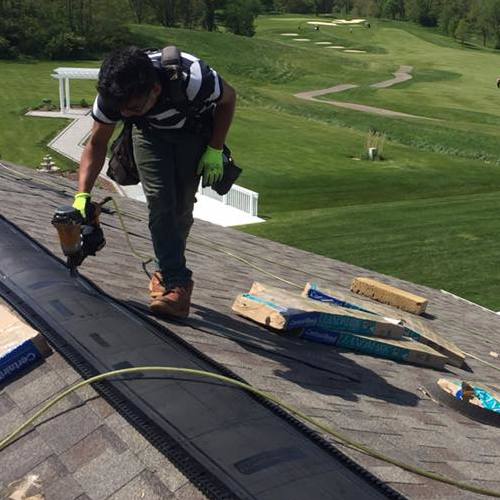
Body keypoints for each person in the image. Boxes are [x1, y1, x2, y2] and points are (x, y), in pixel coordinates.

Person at [73, 46, 237, 318]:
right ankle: (177, 283)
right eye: (120, 109)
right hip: (149, 135)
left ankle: (166, 267)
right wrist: (82, 196)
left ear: (155, 90)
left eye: (133, 107)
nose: (125, 114)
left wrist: (216, 149)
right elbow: (97, 143)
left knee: (181, 208)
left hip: (192, 133)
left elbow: (229, 99)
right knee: (160, 201)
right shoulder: (115, 98)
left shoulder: (194, 77)